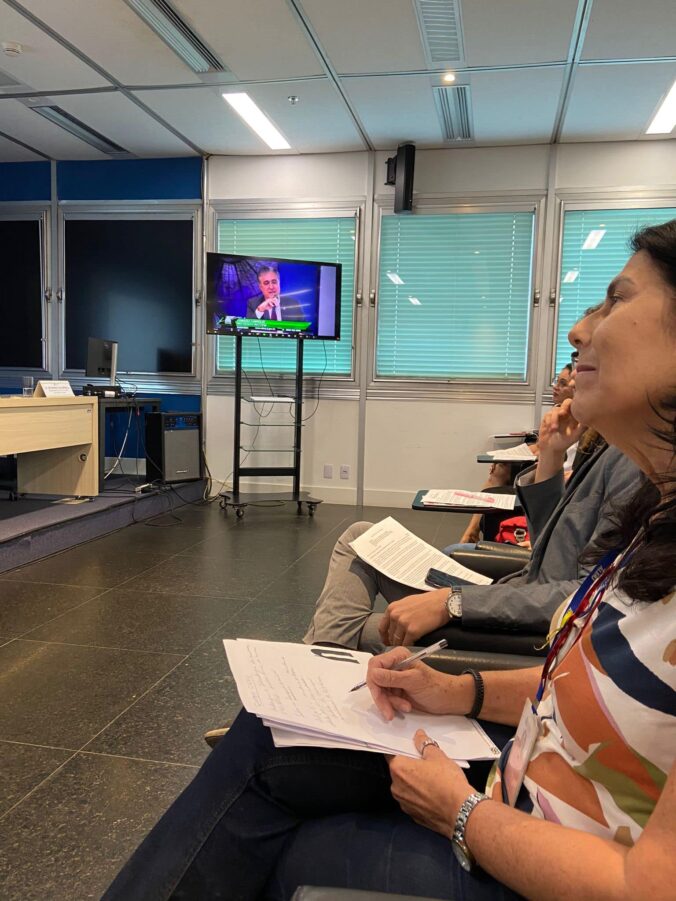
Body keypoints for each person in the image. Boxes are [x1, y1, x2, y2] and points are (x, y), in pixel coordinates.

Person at [104, 221, 676, 901]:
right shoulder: (652, 526)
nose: (580, 332)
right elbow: (582, 676)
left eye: (617, 299)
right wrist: (458, 690)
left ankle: (322, 673)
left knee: (276, 839)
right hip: (522, 771)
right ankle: (312, 689)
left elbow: (648, 887)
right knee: (268, 738)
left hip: (537, 837)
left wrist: (462, 812)